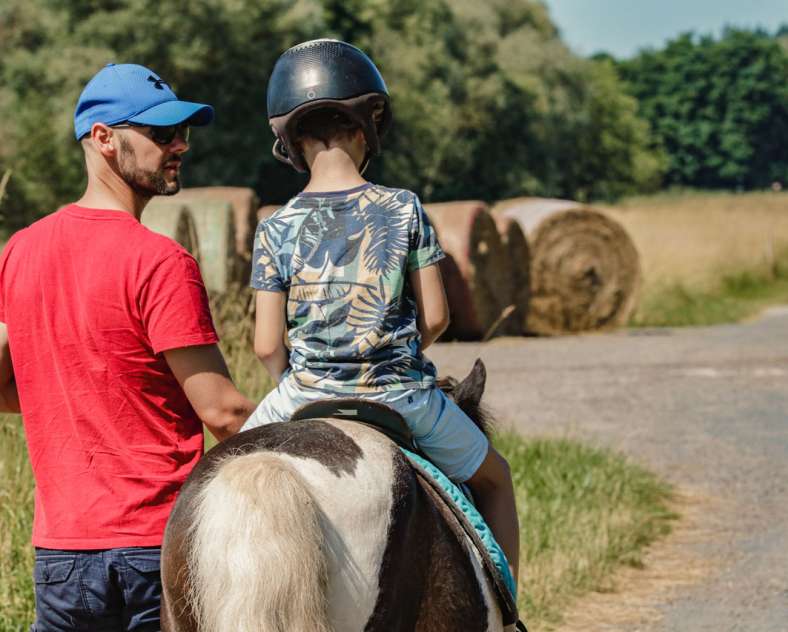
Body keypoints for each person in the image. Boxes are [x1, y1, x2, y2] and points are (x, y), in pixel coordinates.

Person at [245, 39, 520, 583]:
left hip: (303, 394)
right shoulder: (404, 207)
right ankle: (506, 605)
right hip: (398, 394)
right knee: (496, 478)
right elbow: (436, 315)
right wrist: (390, 353)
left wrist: (298, 382)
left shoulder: (274, 225)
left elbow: (265, 345)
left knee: (220, 476)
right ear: (367, 126)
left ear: (290, 142)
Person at [0, 63, 254, 631]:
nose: (180, 145)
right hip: (156, 549)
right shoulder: (162, 263)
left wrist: (70, 395)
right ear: (103, 139)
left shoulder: (19, 251)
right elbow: (225, 412)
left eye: (182, 132)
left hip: (61, 556)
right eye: (161, 134)